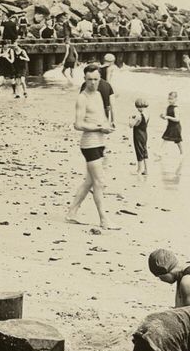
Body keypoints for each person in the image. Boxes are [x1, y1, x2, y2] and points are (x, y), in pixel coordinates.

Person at [64, 63, 118, 231]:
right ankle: (104, 219)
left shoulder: (99, 95)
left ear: (100, 78)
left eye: (95, 79)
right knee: (99, 182)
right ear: (84, 79)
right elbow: (78, 124)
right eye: (89, 80)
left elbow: (100, 117)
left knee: (89, 181)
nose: (93, 83)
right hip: (89, 144)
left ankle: (72, 212)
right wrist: (98, 128)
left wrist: (106, 127)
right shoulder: (83, 97)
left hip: (100, 141)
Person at [131, 98, 150, 174]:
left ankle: (139, 170)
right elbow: (146, 124)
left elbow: (131, 125)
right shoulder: (147, 114)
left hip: (138, 135)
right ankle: (146, 170)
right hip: (145, 134)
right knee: (144, 151)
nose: (140, 108)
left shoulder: (138, 116)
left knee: (139, 151)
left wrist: (130, 119)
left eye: (140, 107)